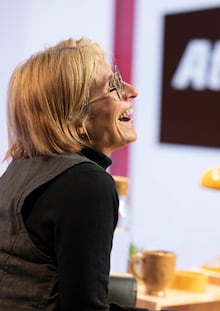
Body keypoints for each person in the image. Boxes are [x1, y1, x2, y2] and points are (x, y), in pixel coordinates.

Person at [0, 38, 140, 310]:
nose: (131, 91)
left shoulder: (19, 171)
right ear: (76, 122)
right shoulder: (87, 184)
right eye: (113, 85)